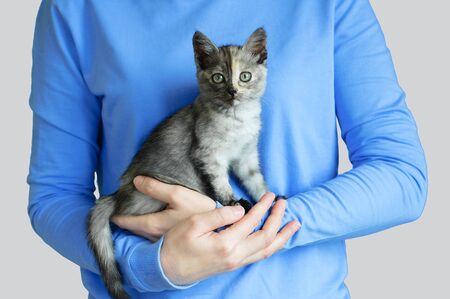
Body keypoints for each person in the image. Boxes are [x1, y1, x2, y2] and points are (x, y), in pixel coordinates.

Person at [27, 0, 428, 298]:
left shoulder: (329, 5)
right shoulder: (75, 8)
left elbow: (402, 178)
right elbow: (53, 196)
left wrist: (256, 227)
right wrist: (150, 265)